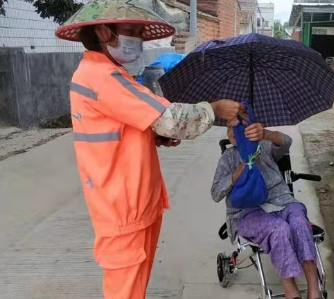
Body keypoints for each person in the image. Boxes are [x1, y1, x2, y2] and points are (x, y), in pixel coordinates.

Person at [55, 1, 243, 298]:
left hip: (129, 201)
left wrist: (153, 138)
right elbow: (171, 119)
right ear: (104, 31)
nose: (138, 41)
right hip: (123, 208)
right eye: (131, 31)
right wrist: (214, 108)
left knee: (134, 287)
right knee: (126, 291)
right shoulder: (104, 78)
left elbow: (118, 127)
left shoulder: (97, 72)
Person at [211, 119, 321, 299]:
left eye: (238, 127)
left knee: (300, 223)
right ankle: (290, 290)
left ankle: (313, 286)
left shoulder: (264, 146)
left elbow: (286, 142)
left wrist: (265, 134)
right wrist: (241, 169)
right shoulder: (228, 158)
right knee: (279, 230)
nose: (232, 132)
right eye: (229, 127)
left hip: (283, 202)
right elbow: (216, 193)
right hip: (248, 212)